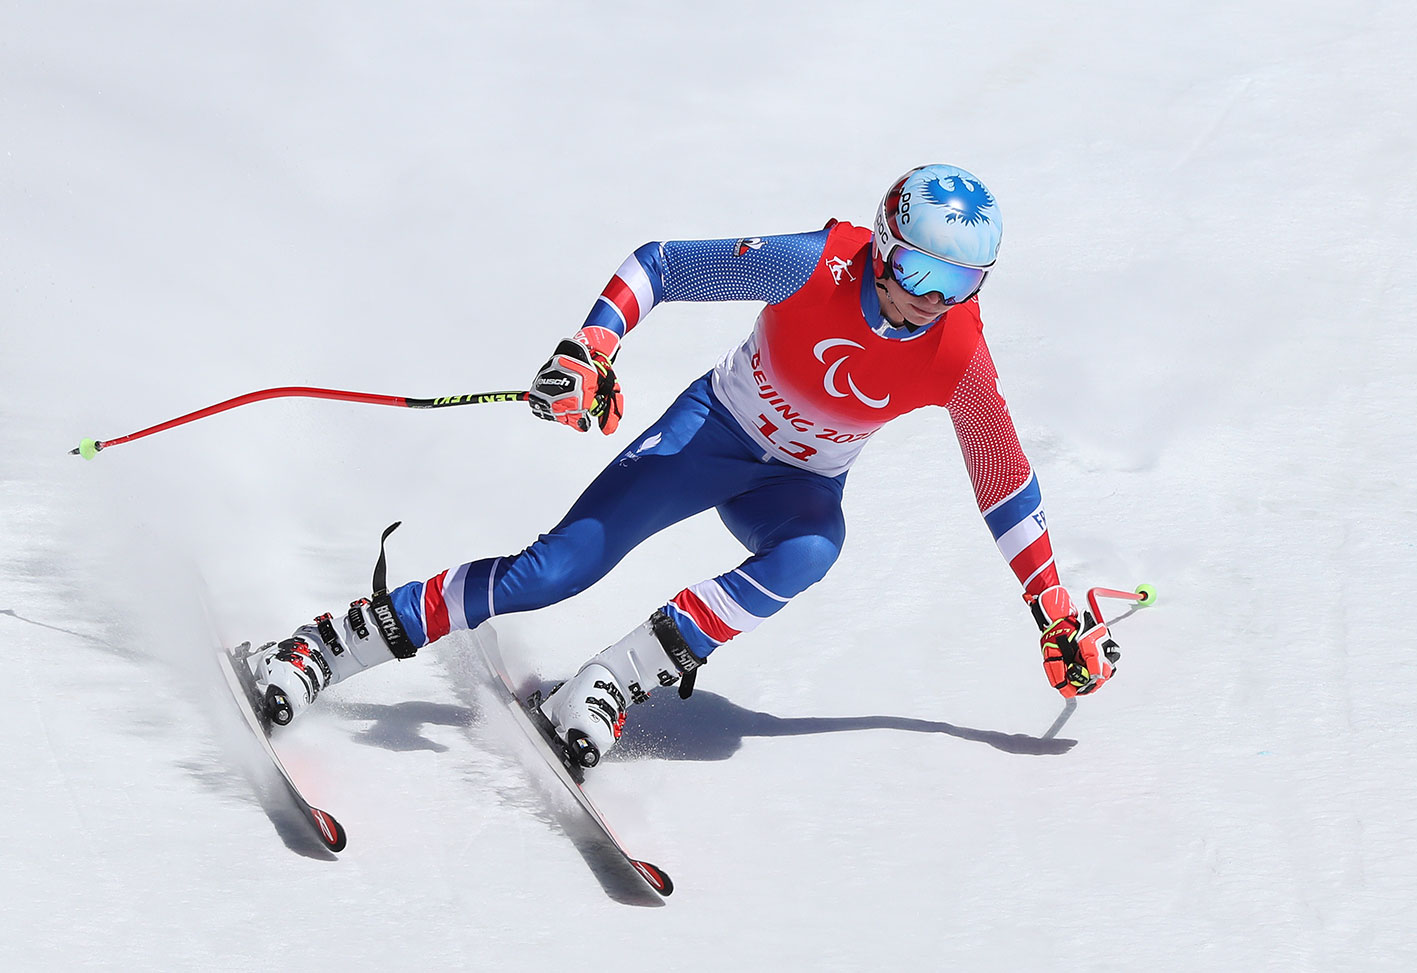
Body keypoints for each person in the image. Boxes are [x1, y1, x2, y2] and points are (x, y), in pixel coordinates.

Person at [249, 164, 1121, 770]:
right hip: (711, 436)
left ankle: (609, 683)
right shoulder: (814, 260)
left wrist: (1051, 609)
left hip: (795, 489)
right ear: (885, 244)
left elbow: (1002, 475)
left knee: (816, 546)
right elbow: (660, 266)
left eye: (961, 281)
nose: (931, 299)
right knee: (552, 572)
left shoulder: (956, 353)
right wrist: (593, 346)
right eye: (921, 267)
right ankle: (325, 645)